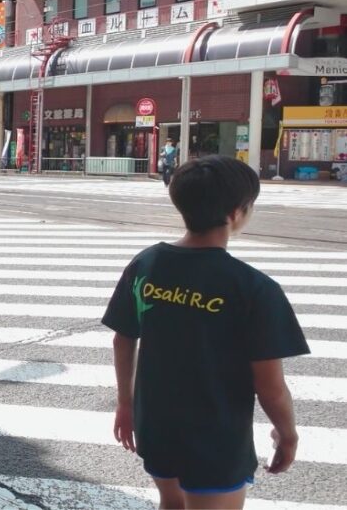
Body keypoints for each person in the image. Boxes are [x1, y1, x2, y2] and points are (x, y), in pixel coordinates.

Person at [103, 156, 308, 510]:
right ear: (236, 213)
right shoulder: (253, 288)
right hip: (216, 437)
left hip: (156, 424)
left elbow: (123, 338)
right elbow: (270, 386)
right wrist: (287, 434)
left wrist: (126, 403)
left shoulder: (146, 264)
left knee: (171, 502)